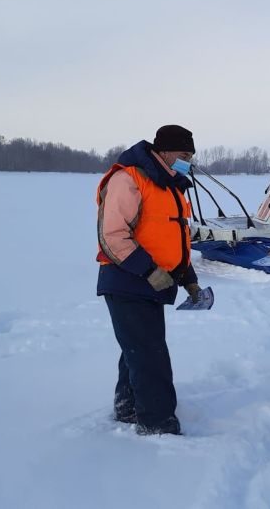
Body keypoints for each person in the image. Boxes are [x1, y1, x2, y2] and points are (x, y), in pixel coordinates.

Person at [96, 124, 203, 436]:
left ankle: (129, 408)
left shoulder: (170, 186)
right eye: (183, 155)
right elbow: (112, 235)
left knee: (138, 348)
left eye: (191, 156)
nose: (188, 161)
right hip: (128, 280)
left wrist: (189, 279)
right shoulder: (128, 178)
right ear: (163, 151)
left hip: (153, 284)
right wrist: (149, 271)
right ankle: (157, 422)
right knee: (149, 353)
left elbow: (174, 239)